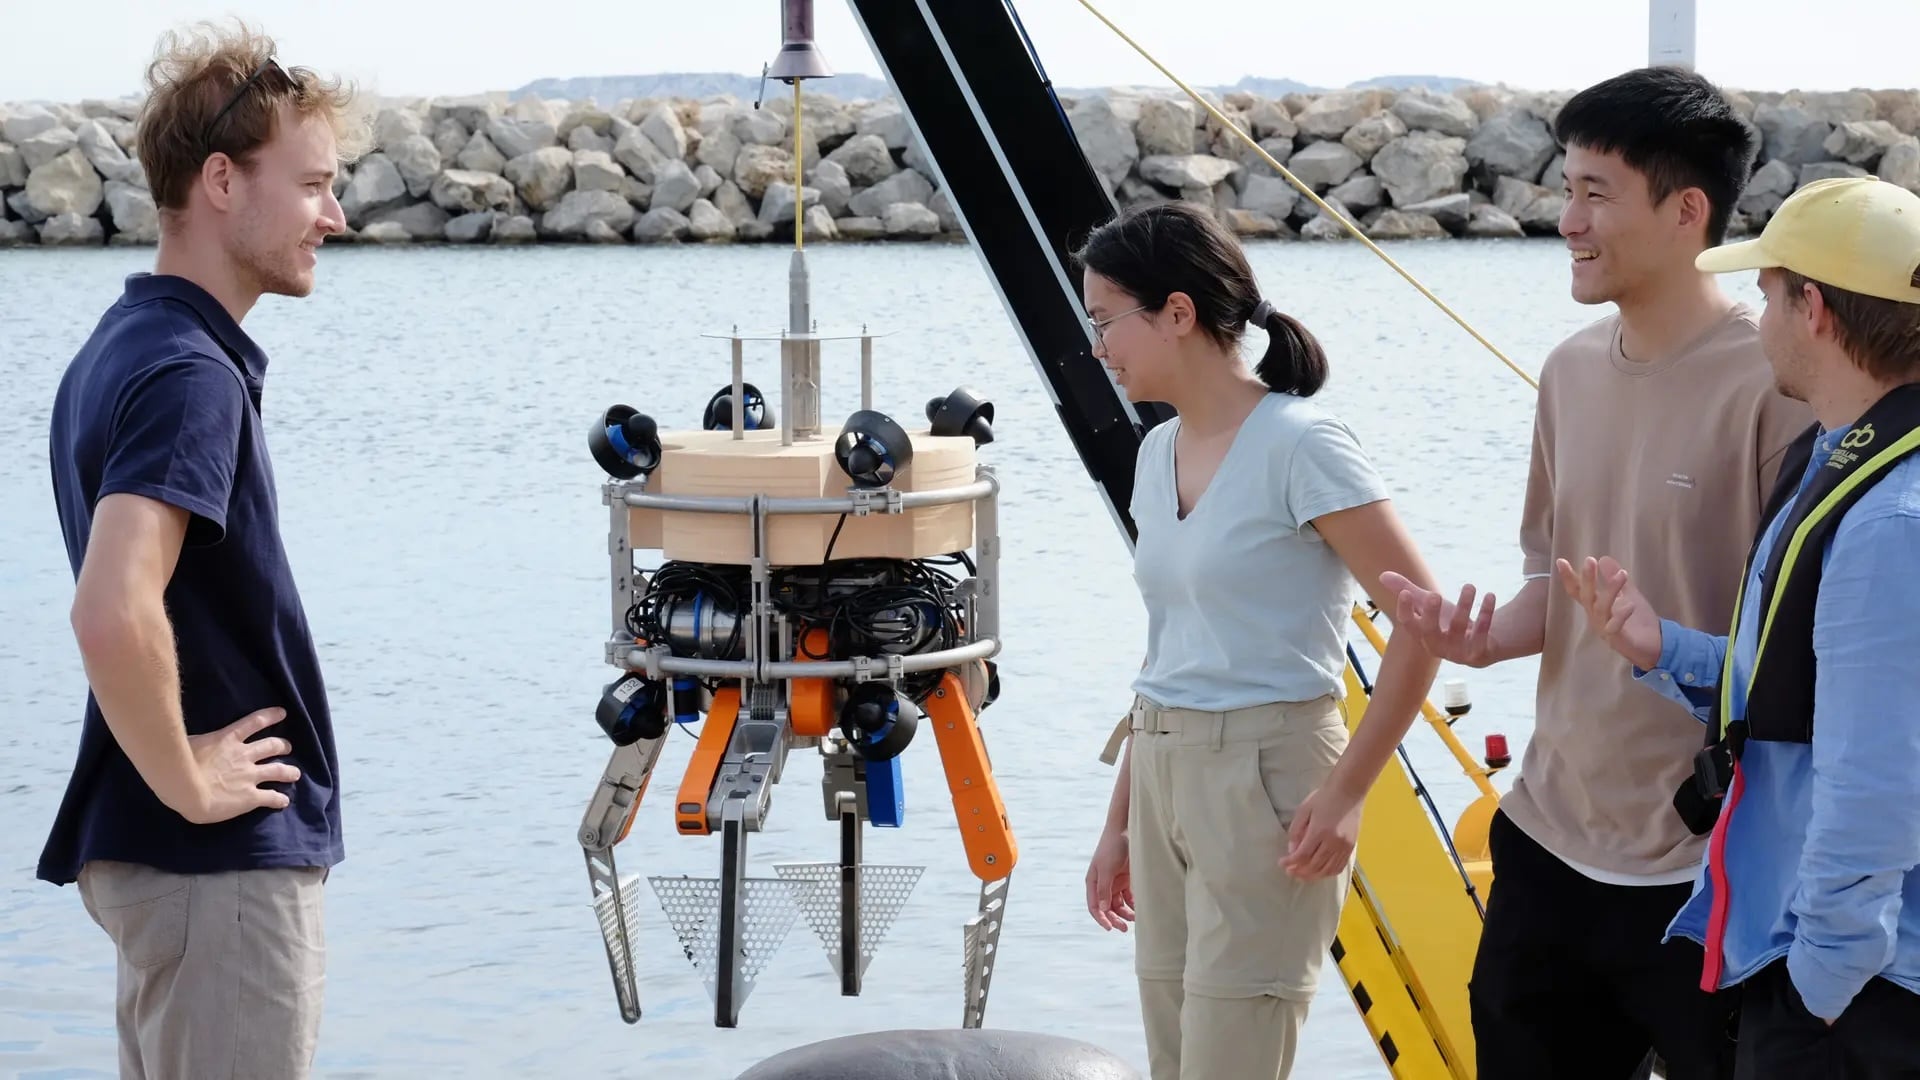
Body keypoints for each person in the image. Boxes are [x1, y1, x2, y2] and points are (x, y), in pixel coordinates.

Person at [1379, 66, 1812, 1079]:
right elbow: (1556, 587)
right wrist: (1479, 637)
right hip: (1547, 835)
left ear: (1687, 209)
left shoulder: (1775, 384)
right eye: (1563, 188)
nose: (1566, 218)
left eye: (1593, 193)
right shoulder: (1570, 369)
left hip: (1703, 864)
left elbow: (1801, 645)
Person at [39, 19, 366, 1079]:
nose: (337, 214)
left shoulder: (125, 343)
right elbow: (110, 609)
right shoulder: (189, 373)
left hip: (179, 871)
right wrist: (186, 782)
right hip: (216, 871)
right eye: (313, 184)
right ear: (222, 181)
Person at [1075, 199, 1446, 1079]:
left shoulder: (1301, 443)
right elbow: (1169, 650)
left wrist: (1350, 792)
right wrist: (1120, 822)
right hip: (1163, 768)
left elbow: (1422, 624)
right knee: (1173, 1064)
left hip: (1271, 781)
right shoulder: (1154, 450)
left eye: (1105, 322)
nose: (1097, 348)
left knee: (1228, 1063)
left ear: (1177, 313)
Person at [1559, 175, 1920, 1077]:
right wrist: (1663, 649)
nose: (1756, 322)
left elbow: (1874, 785)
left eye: (1766, 297)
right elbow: (1815, 695)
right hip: (1836, 972)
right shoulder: (1842, 461)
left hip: (1861, 994)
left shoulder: (1887, 521)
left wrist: (1818, 989)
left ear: (1817, 313)